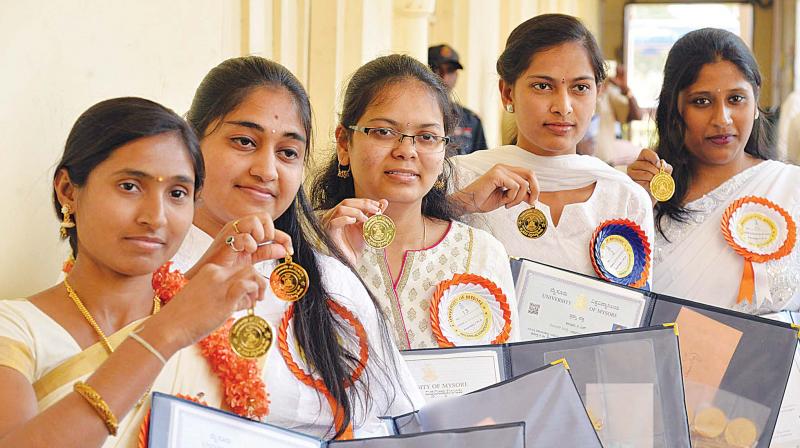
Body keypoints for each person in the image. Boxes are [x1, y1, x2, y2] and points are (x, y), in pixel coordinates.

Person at [172, 56, 422, 438]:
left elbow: (401, 422)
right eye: (244, 142)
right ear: (191, 143)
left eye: (287, 152)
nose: (267, 170)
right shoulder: (148, 276)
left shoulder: (331, 282)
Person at [0, 97, 269, 447]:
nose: (155, 217)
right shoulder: (16, 330)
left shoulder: (212, 336)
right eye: (130, 186)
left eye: (177, 193)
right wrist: (165, 332)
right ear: (68, 190)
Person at [312, 54, 519, 350]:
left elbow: (506, 375)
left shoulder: (481, 253)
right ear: (345, 143)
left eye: (427, 136)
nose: (407, 150)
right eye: (384, 132)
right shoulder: (302, 243)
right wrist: (334, 266)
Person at [451, 14, 655, 286]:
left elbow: (638, 313)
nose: (564, 106)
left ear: (598, 94)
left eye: (580, 87)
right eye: (543, 86)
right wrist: (460, 204)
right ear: (507, 93)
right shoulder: (461, 180)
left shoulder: (624, 196)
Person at [627, 28, 800, 314]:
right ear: (674, 108)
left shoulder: (791, 188)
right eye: (701, 102)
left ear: (756, 103)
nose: (722, 119)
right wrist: (635, 208)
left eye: (736, 99)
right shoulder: (643, 196)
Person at [579, 64, 644, 166]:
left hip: (605, 163)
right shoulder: (573, 96)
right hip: (577, 162)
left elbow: (637, 116)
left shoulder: (608, 95)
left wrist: (626, 90)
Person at [428, 44, 487, 155]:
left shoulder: (471, 120)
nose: (444, 77)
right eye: (436, 69)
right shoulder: (416, 116)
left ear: (457, 75)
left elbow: (482, 163)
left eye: (450, 70)